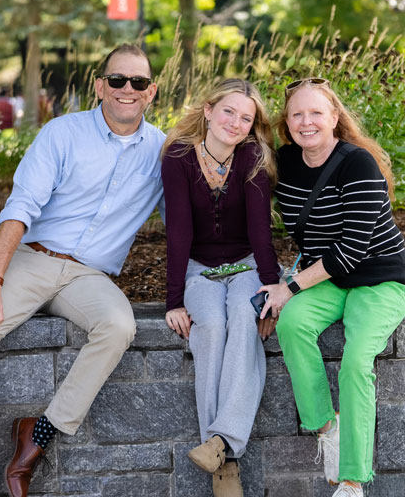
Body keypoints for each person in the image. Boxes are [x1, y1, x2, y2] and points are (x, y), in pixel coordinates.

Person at [0, 44, 164, 497]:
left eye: (137, 82)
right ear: (100, 85)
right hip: (33, 258)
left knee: (119, 326)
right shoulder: (62, 133)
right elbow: (20, 206)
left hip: (89, 277)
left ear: (151, 91)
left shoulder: (163, 152)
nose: (127, 90)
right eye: (117, 80)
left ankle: (36, 436)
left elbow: (193, 218)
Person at [257, 78, 405, 497]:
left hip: (377, 279)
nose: (306, 122)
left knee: (357, 361)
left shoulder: (357, 163)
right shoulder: (285, 162)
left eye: (315, 113)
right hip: (326, 279)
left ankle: (352, 480)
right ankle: (327, 426)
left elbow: (351, 250)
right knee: (292, 326)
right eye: (296, 114)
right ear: (286, 122)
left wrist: (289, 287)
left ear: (334, 117)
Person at [161, 78, 282, 497]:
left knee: (243, 321)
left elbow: (260, 232)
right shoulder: (178, 156)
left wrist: (271, 288)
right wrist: (174, 299)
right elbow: (177, 231)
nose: (236, 123)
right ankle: (225, 453)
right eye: (228, 111)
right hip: (199, 268)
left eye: (246, 118)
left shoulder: (252, 156)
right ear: (209, 110)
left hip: (248, 266)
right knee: (209, 327)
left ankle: (223, 453)